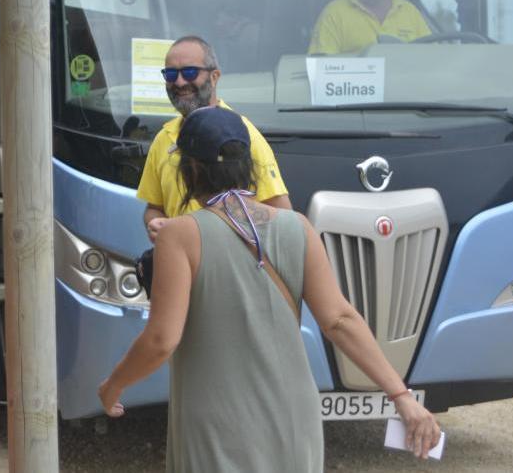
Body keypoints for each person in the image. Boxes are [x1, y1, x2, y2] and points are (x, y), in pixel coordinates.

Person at [99, 107, 442, 471]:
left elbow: (161, 340)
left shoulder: (180, 234)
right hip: (294, 419)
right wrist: (401, 396)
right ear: (248, 164)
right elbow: (340, 320)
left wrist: (113, 385)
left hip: (218, 426)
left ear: (191, 168)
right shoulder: (298, 227)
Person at [137, 36, 291, 246]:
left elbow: (282, 215)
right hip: (179, 265)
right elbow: (154, 207)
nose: (180, 82)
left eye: (190, 72)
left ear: (215, 76)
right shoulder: (163, 139)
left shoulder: (242, 134)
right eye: (171, 74)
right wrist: (155, 223)